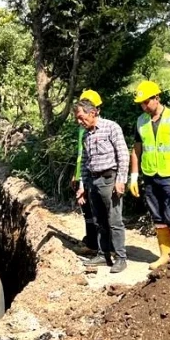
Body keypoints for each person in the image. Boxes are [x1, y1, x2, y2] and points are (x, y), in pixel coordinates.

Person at [128, 80, 170, 270]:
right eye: (141, 103)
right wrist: (133, 175)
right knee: (158, 217)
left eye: (146, 102)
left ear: (157, 98)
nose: (143, 106)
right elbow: (136, 150)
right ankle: (165, 255)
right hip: (150, 175)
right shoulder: (141, 121)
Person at [73, 99, 129, 274]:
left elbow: (123, 155)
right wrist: (82, 186)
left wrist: (120, 180)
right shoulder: (87, 135)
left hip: (109, 179)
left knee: (114, 220)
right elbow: (85, 163)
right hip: (93, 181)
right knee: (98, 220)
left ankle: (120, 258)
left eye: (81, 117)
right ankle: (103, 254)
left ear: (92, 113)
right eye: (77, 118)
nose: (79, 121)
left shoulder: (111, 128)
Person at [71, 89, 102, 257]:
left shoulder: (97, 128)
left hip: (91, 176)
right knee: (87, 211)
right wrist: (76, 174)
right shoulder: (82, 128)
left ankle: (95, 245)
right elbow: (80, 156)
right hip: (83, 175)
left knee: (94, 212)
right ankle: (91, 241)